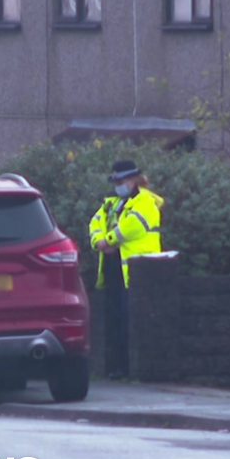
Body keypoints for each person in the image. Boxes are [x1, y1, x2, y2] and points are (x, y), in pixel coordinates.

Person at [89, 160, 164, 380]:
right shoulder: (112, 204)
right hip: (115, 273)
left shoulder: (145, 202)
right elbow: (94, 223)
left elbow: (132, 226)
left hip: (138, 274)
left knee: (130, 323)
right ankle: (118, 367)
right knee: (116, 322)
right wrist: (99, 241)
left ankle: (129, 369)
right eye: (116, 181)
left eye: (121, 181)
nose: (117, 185)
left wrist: (108, 240)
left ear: (133, 180)